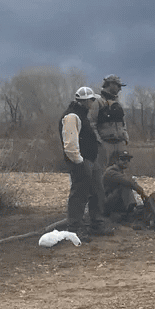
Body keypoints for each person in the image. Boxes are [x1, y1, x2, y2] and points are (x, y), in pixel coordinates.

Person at [60, 86, 113, 235]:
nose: (93, 102)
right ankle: (75, 228)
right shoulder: (72, 116)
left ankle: (96, 224)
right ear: (86, 101)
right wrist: (79, 161)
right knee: (79, 194)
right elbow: (70, 145)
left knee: (97, 191)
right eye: (91, 100)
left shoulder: (81, 115)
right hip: (81, 161)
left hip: (89, 160)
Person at [94, 74, 130, 169]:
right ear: (110, 84)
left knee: (120, 172)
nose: (120, 89)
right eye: (118, 86)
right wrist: (99, 141)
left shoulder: (118, 104)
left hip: (119, 143)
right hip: (105, 143)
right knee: (102, 171)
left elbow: (123, 122)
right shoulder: (97, 101)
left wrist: (125, 137)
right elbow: (92, 123)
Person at [102, 150, 147, 220]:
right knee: (125, 185)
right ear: (115, 160)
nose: (126, 161)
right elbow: (128, 181)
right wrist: (141, 191)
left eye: (128, 159)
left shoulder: (119, 172)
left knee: (126, 185)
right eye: (123, 159)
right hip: (104, 206)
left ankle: (127, 211)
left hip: (110, 202)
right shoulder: (111, 172)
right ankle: (129, 212)